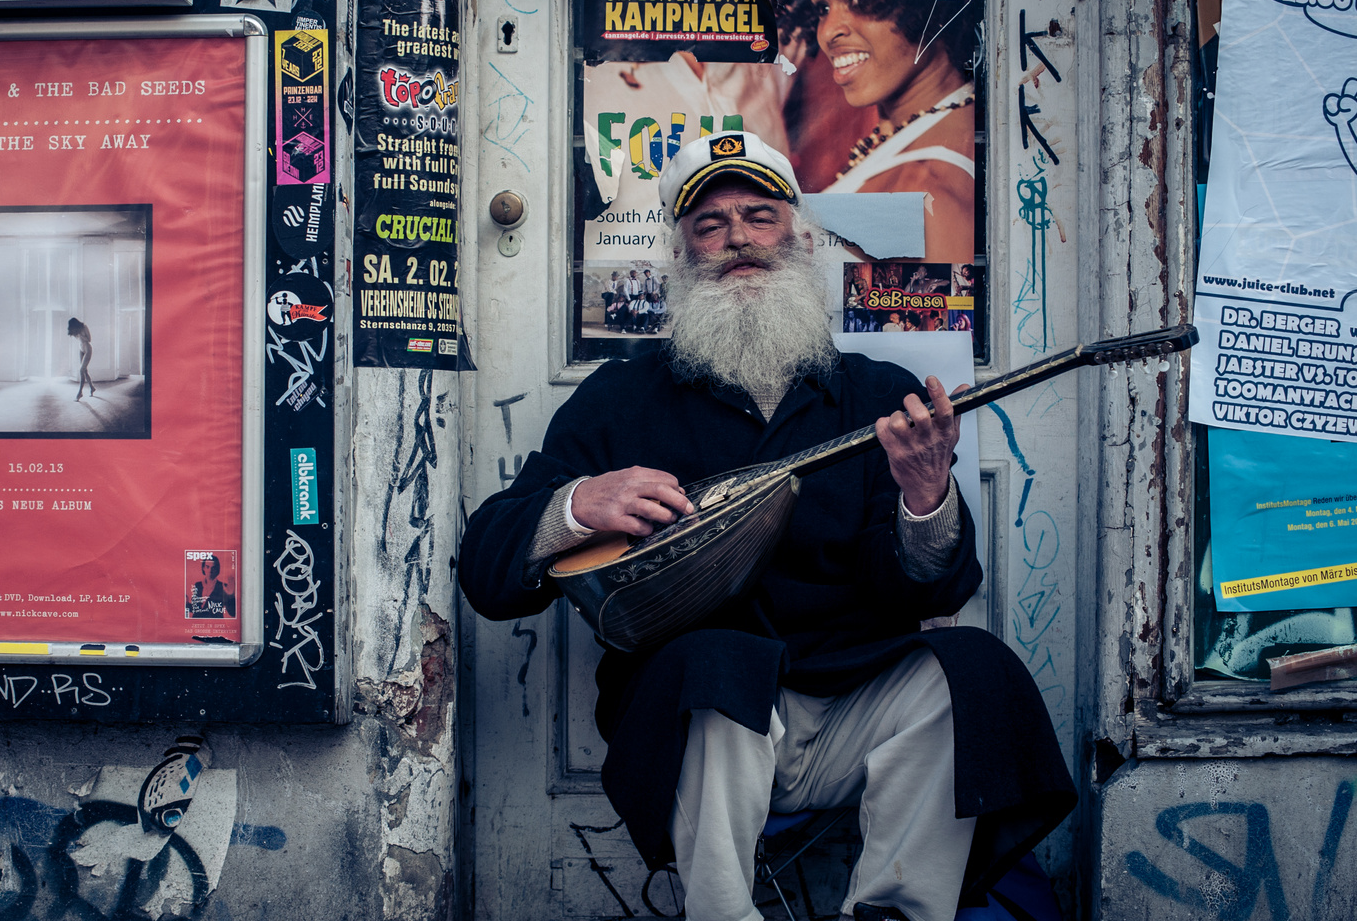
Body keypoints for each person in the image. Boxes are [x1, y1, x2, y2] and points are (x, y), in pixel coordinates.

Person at [459, 132, 1074, 921]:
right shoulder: (618, 401)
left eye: (759, 215)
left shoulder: (874, 393)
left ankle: (899, 913)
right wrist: (578, 505)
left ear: (801, 238)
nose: (737, 240)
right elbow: (486, 571)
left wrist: (925, 496)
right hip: (701, 721)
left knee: (971, 668)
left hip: (853, 705)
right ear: (678, 253)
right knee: (719, 665)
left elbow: (937, 583)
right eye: (709, 226)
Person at [772, 0, 980, 265]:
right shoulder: (923, 133)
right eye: (821, 8)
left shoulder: (928, 191)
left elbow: (931, 325)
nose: (829, 31)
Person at [188, 555, 236, 619]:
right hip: (197, 623)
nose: (210, 570)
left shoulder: (223, 586)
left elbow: (233, 613)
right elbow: (195, 609)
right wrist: (186, 604)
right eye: (207, 567)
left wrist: (231, 596)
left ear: (217, 569)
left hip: (214, 624)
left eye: (213, 568)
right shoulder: (198, 585)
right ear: (203, 568)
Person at [66, 317, 95, 400]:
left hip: (87, 348)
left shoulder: (84, 327)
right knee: (84, 371)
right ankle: (92, 387)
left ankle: (80, 393)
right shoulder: (76, 330)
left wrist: (81, 336)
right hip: (81, 349)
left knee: (81, 370)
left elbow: (89, 339)